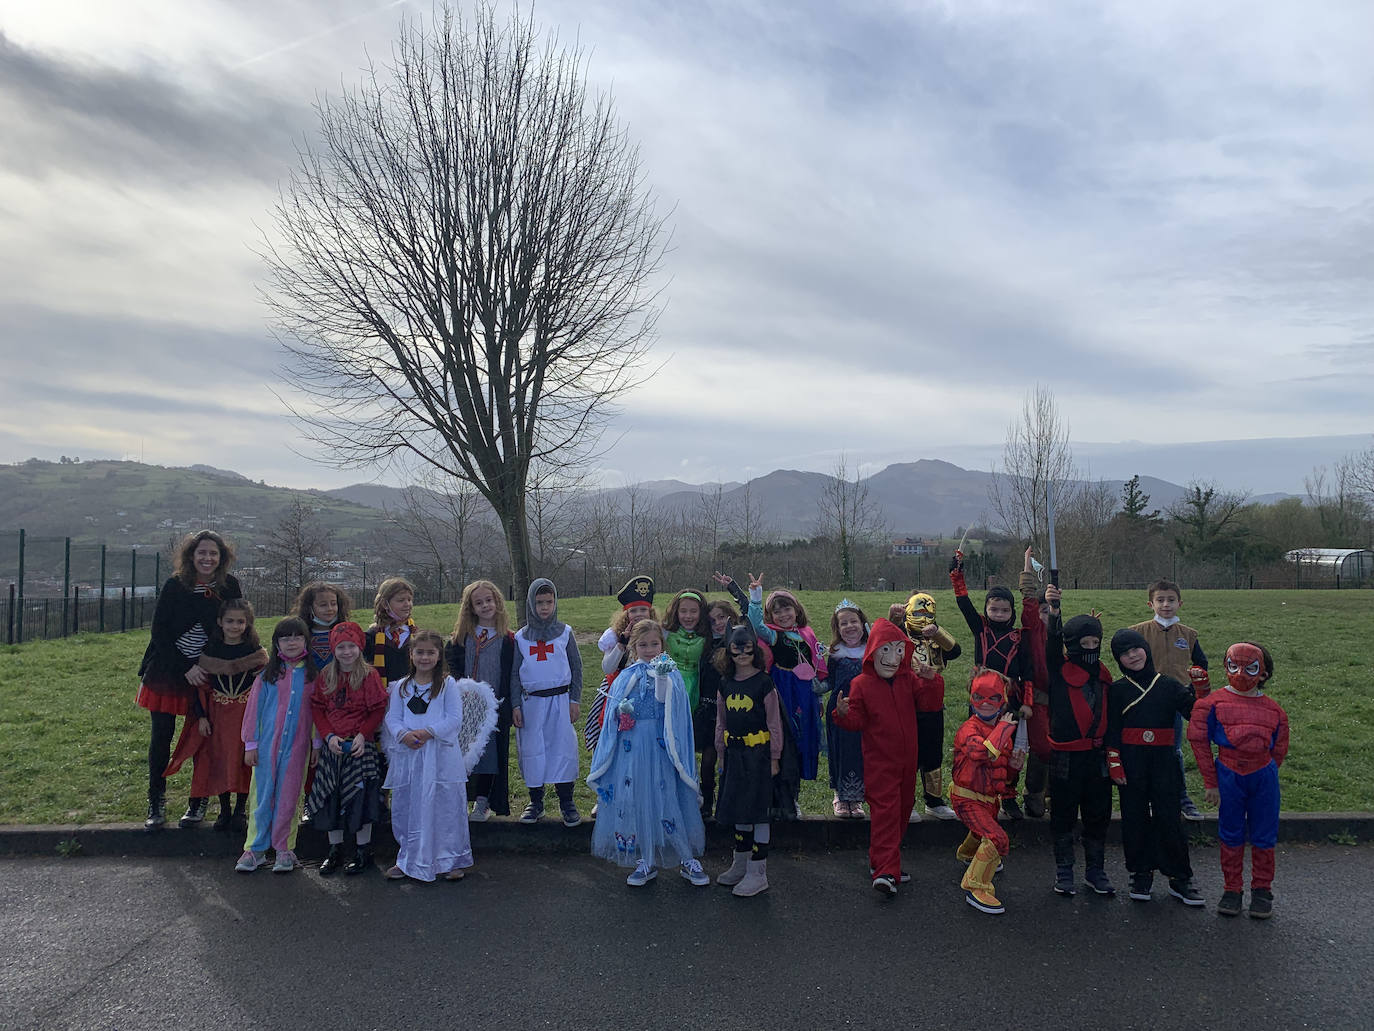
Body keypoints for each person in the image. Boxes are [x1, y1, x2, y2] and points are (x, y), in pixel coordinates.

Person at [587, 620, 708, 887]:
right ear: (634, 647)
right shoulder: (626, 675)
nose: (650, 649)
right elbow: (613, 715)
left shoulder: (670, 671)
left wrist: (662, 677)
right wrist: (622, 711)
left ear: (662, 645)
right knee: (638, 797)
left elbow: (670, 704)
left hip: (661, 746)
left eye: (654, 644)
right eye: (643, 645)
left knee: (664, 794)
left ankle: (686, 858)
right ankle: (646, 859)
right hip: (632, 747)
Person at [137, 529, 243, 831]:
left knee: (202, 738)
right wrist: (186, 667)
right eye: (202, 553)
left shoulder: (229, 586)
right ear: (191, 555)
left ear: (222, 558)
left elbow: (235, 626)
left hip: (208, 670)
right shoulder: (175, 585)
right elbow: (159, 633)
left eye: (213, 553)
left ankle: (197, 800)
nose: (207, 558)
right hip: (170, 669)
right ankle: (155, 800)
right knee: (162, 736)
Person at [384, 629, 496, 882]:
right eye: (419, 652)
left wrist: (427, 732)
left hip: (439, 756)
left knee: (444, 807)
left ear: (438, 655)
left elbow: (454, 719)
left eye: (430, 652)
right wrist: (403, 734)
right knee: (409, 807)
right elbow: (393, 717)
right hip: (410, 755)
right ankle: (409, 858)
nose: (424, 657)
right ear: (411, 654)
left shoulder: (447, 686)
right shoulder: (402, 687)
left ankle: (448, 859)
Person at [1188, 642, 1289, 919]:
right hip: (1230, 773)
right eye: (1234, 666)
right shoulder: (1212, 704)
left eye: (1250, 668)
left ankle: (1262, 889)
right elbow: (1199, 741)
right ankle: (1232, 889)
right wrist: (1211, 781)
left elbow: (1279, 748)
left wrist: (1265, 774)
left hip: (1262, 775)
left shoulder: (1275, 711)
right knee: (1230, 833)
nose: (1241, 673)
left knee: (1264, 834)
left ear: (1264, 673)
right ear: (1225, 667)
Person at [1106, 629, 1204, 905]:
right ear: (1118, 659)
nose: (1132, 656)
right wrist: (1114, 763)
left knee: (1169, 818)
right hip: (1131, 761)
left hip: (1164, 761)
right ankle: (1140, 872)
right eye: (1124, 654)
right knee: (1134, 818)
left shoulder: (1169, 685)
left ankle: (1180, 877)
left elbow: (1194, 713)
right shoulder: (1117, 690)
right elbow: (1112, 730)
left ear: (1145, 649)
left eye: (1136, 649)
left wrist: (1202, 692)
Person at [720, 572, 827, 817]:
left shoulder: (807, 634)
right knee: (784, 744)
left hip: (806, 696)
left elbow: (817, 663)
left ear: (797, 610)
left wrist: (819, 692)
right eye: (777, 611)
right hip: (784, 693)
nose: (783, 614)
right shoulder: (773, 634)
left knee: (802, 744)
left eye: (787, 608)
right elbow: (756, 625)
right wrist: (756, 595)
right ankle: (780, 799)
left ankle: (793, 797)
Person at [833, 618, 921, 896]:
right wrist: (843, 714)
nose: (892, 658)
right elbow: (856, 721)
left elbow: (930, 703)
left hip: (908, 762)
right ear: (872, 652)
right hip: (879, 763)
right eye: (885, 650)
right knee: (886, 813)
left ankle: (882, 861)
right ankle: (885, 871)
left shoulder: (909, 680)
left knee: (903, 810)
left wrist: (932, 680)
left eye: (898, 650)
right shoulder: (861, 684)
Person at [164, 597, 265, 833]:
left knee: (244, 760)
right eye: (229, 621)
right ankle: (224, 809)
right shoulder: (210, 651)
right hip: (218, 714)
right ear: (220, 622)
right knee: (220, 759)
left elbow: (263, 689)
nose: (234, 626)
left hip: (245, 714)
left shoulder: (254, 652)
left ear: (248, 624)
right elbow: (200, 688)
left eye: (240, 622)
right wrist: (201, 717)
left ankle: (240, 810)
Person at [950, 552, 1034, 820]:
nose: (998, 614)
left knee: (1008, 748)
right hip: (981, 700)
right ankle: (976, 791)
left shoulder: (1019, 637)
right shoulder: (980, 629)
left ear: (1012, 611)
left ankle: (1008, 795)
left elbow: (1028, 672)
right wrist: (956, 575)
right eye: (993, 609)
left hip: (1009, 701)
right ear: (986, 609)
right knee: (979, 746)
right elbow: (963, 603)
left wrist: (1028, 704)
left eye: (1004, 610)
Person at [1043, 592, 1116, 896]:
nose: (1089, 650)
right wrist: (1055, 612)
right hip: (1065, 758)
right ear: (1071, 645)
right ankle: (1064, 870)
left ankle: (1095, 870)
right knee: (1063, 814)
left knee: (1098, 814)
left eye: (1094, 644)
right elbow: (1050, 645)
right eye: (1082, 644)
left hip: (1096, 758)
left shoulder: (1103, 675)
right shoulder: (1059, 671)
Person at [235, 617, 319, 873]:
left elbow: (318, 713)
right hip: (265, 748)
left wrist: (317, 744)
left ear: (306, 640)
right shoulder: (267, 676)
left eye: (297, 636)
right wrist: (251, 743)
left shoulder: (313, 677)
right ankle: (255, 849)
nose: (291, 642)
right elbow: (253, 712)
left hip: (298, 749)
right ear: (276, 643)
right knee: (262, 796)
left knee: (289, 796)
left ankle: (284, 848)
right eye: (285, 637)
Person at [308, 621, 389, 876]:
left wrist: (363, 736)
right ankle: (335, 850)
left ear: (359, 647)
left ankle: (363, 849)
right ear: (334, 649)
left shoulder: (369, 675)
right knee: (332, 797)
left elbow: (377, 709)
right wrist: (327, 735)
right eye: (341, 647)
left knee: (361, 798)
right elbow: (318, 708)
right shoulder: (326, 676)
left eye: (351, 646)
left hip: (359, 746)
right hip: (334, 747)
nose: (346, 652)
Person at [1129, 580, 1210, 822]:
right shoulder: (1138, 632)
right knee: (1145, 750)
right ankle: (1149, 798)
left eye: (1171, 600)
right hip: (1146, 701)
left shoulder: (1188, 635)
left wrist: (1194, 692)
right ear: (1150, 604)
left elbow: (1200, 665)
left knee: (1173, 751)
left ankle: (1180, 797)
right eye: (1160, 600)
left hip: (1175, 701)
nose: (1166, 605)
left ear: (1180, 603)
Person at [713, 622, 784, 896]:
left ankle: (758, 871)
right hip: (734, 755)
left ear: (755, 650)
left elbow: (774, 723)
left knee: (758, 811)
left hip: (759, 756)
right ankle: (740, 862)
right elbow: (721, 721)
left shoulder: (764, 683)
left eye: (747, 650)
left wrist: (774, 757)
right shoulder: (725, 683)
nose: (742, 655)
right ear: (728, 652)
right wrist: (721, 752)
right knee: (739, 809)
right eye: (736, 650)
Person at [513, 578, 583, 826]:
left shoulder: (564, 633)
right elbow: (514, 674)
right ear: (531, 604)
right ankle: (536, 801)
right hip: (532, 704)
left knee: (562, 749)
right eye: (539, 602)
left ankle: (567, 801)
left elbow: (576, 668)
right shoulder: (521, 638)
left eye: (549, 602)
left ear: (555, 603)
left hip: (560, 701)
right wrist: (515, 705)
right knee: (533, 751)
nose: (544, 607)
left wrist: (574, 699)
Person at [446, 579, 518, 820]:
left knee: (489, 756)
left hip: (494, 709)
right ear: (470, 608)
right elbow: (451, 668)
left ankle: (483, 802)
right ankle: (458, 799)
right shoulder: (460, 638)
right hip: (464, 707)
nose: (485, 605)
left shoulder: (508, 639)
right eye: (479, 602)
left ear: (497, 602)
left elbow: (512, 674)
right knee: (463, 754)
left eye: (489, 600)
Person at [951, 669, 1021, 914]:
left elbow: (1002, 775)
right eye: (980, 696)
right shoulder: (968, 729)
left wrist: (1013, 767)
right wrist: (1003, 727)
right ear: (971, 698)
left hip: (989, 800)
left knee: (984, 831)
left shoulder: (1005, 734)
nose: (986, 703)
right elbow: (981, 753)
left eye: (993, 698)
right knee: (996, 838)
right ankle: (975, 886)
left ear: (1003, 699)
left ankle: (968, 853)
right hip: (966, 798)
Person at [902, 592, 961, 821]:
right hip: (908, 701)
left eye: (926, 612)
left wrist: (938, 633)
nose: (922, 616)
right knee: (909, 755)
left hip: (934, 700)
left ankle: (934, 801)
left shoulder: (935, 634)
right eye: (917, 611)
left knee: (933, 752)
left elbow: (955, 652)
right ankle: (906, 802)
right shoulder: (903, 632)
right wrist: (896, 618)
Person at [663, 589, 712, 815]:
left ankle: (695, 788)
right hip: (673, 687)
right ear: (676, 612)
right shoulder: (667, 634)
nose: (688, 616)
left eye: (694, 611)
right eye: (683, 611)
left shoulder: (708, 636)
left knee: (693, 741)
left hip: (697, 689)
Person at [694, 598, 740, 820]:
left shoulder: (737, 642)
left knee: (729, 758)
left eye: (722, 617)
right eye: (713, 620)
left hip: (732, 707)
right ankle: (706, 800)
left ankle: (726, 801)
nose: (718, 623)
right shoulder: (704, 645)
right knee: (708, 758)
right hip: (707, 708)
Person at [1017, 547, 1054, 818]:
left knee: (1059, 747)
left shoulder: (1063, 632)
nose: (1046, 614)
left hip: (1062, 699)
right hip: (1038, 697)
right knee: (1041, 747)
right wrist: (1027, 568)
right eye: (1043, 610)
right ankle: (1033, 793)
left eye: (1050, 610)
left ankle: (1054, 793)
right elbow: (1028, 600)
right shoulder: (1034, 630)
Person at [825, 599, 869, 818]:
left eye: (854, 621)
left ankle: (856, 799)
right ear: (838, 629)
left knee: (860, 751)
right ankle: (841, 796)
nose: (850, 626)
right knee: (840, 750)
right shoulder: (834, 653)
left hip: (864, 709)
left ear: (863, 624)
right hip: (838, 709)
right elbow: (829, 681)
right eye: (844, 623)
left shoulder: (871, 652)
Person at [364, 577, 417, 683]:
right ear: (385, 604)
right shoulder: (371, 637)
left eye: (409, 600)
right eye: (401, 600)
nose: (407, 604)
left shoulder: (416, 635)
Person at [295, 581, 353, 671]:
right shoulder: (300, 636)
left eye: (333, 604)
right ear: (309, 608)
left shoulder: (349, 633)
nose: (329, 609)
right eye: (323, 605)